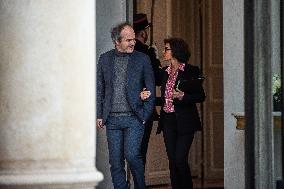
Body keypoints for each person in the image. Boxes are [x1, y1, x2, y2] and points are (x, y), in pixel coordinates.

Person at [96, 22, 155, 189]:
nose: (133, 42)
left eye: (133, 39)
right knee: (115, 162)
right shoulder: (105, 59)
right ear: (117, 42)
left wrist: (144, 115)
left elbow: (150, 90)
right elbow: (100, 88)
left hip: (134, 118)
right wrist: (99, 114)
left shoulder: (143, 59)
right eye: (128, 40)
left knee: (132, 156)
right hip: (112, 120)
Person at [157, 37, 205, 189]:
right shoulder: (164, 72)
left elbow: (201, 96)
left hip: (186, 122)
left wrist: (183, 96)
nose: (164, 52)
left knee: (180, 159)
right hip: (168, 121)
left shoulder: (191, 70)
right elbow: (164, 97)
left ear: (175, 51)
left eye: (166, 49)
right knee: (172, 161)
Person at [133, 13, 162, 167]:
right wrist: (155, 58)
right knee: (140, 151)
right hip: (144, 108)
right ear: (144, 32)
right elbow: (157, 79)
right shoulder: (148, 52)